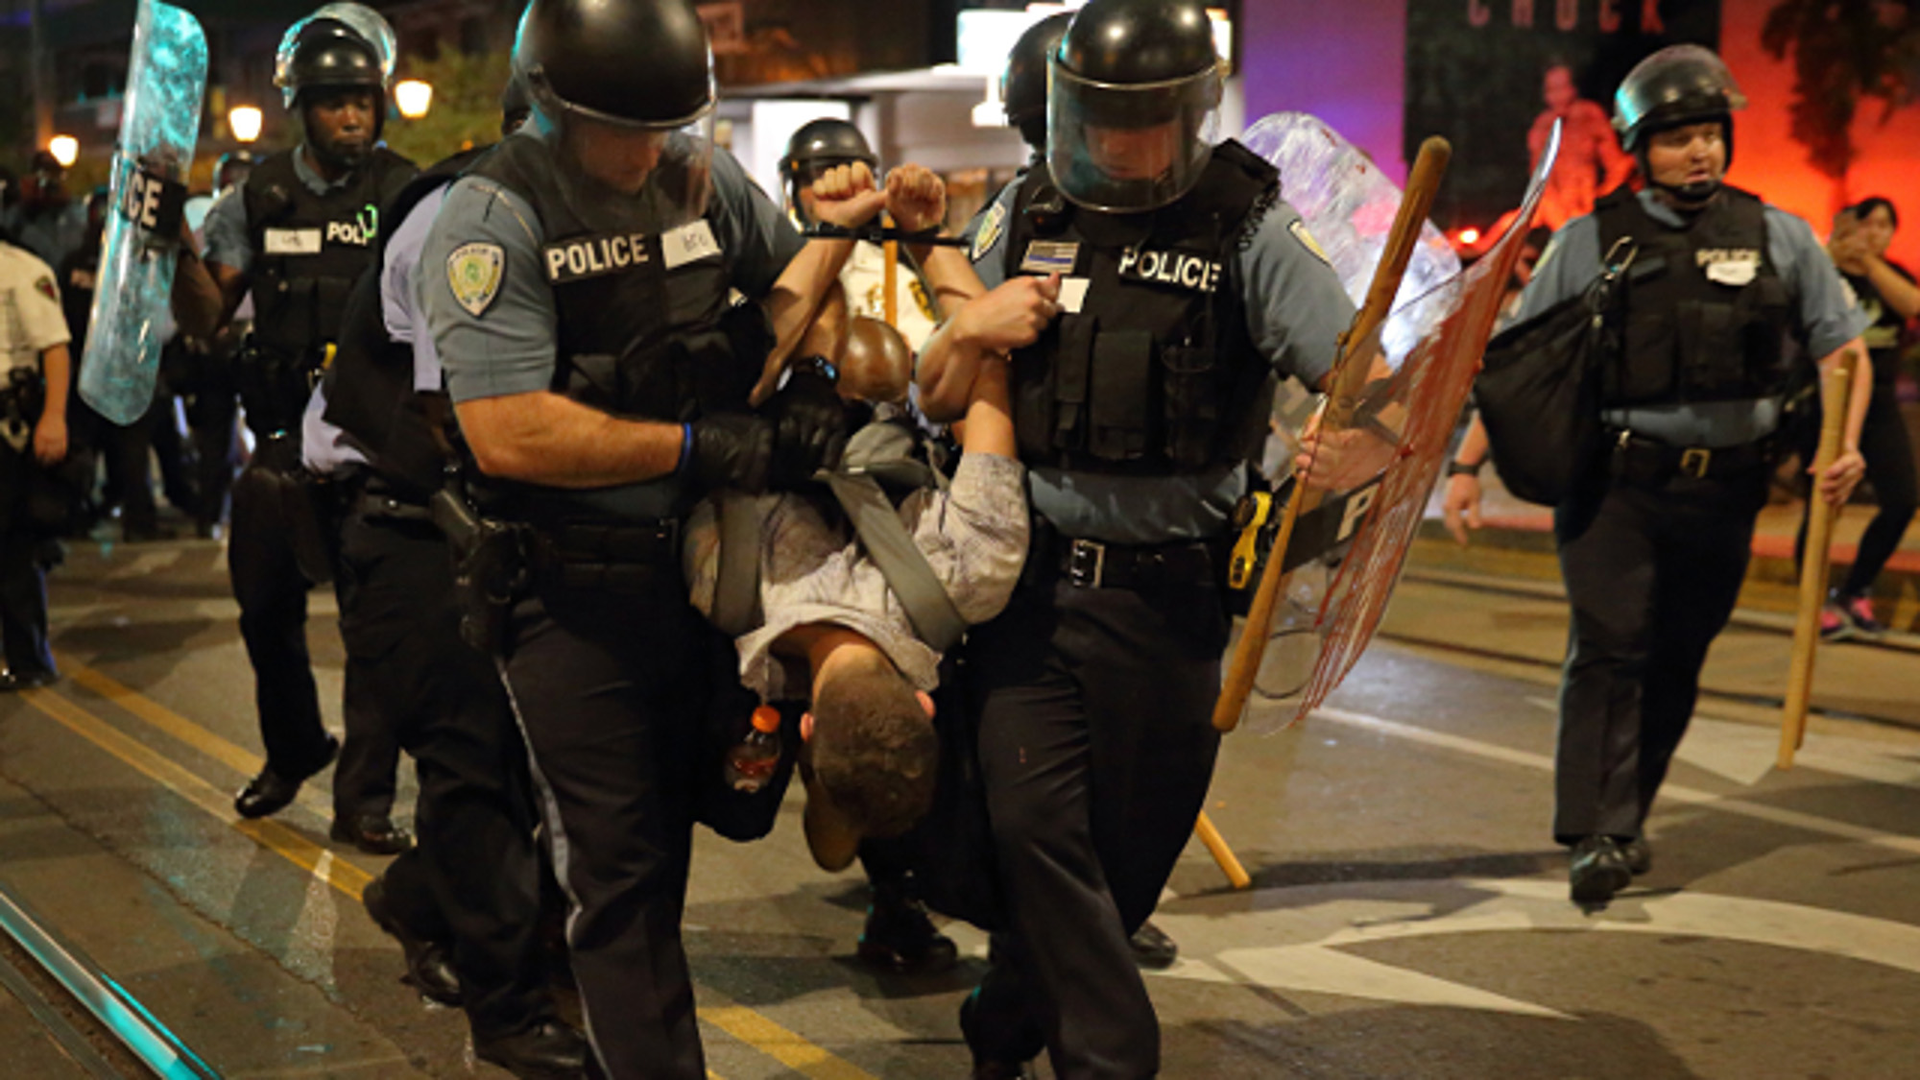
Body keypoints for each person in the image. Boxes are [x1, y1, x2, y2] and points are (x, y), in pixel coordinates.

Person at [419, 0, 872, 1073]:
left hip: (712, 574)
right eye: (618, 129)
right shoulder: (490, 217)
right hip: (572, 591)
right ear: (548, 103)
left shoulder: (695, 171)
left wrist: (812, 371)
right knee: (618, 877)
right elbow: (507, 430)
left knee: (699, 828)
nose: (642, 152)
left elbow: (798, 284)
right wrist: (690, 447)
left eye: (662, 126)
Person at [917, 0, 1359, 1074]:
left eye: (1145, 121)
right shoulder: (1025, 207)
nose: (1121, 144)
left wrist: (1342, 450)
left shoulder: (1247, 224)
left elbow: (1364, 384)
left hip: (1172, 607)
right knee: (1033, 830)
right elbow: (941, 381)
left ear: (1188, 112)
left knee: (1121, 868)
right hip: (1030, 593)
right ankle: (1111, 1061)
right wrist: (968, 322)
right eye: (1102, 120)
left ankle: (1005, 1019)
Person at [1445, 45, 1870, 906]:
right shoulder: (1587, 241)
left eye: (1711, 134)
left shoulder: (1777, 234)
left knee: (1678, 656)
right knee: (1611, 646)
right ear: (1641, 147)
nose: (1700, 152)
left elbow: (1845, 346)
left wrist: (1847, 445)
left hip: (1729, 490)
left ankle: (1627, 812)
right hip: (1616, 486)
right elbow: (1524, 369)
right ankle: (1595, 831)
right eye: (1678, 138)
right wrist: (1466, 467)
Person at [309, 82, 586, 1079]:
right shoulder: (463, 216)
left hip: (497, 520)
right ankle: (506, 1014)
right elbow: (459, 414)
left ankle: (421, 898)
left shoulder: (591, 209)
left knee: (530, 767)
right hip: (418, 526)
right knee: (474, 769)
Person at [171, 3, 416, 848]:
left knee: (371, 629)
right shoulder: (260, 195)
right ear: (301, 107)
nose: (352, 116)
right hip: (279, 443)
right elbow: (208, 317)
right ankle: (295, 748)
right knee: (261, 605)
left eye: (363, 101)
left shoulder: (407, 192)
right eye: (332, 102)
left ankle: (367, 799)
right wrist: (173, 239)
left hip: (373, 442)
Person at [684, 307, 1027, 872]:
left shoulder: (974, 574)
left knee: (845, 806)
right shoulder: (721, 582)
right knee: (842, 812)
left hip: (779, 366)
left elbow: (991, 365)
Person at [1807, 196, 1917, 639]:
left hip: (1881, 406)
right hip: (1828, 403)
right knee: (1823, 503)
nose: (1873, 233)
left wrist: (1870, 264)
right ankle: (1813, 601)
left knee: (1902, 500)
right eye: (1864, 225)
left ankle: (1856, 589)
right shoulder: (1824, 275)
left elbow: (1911, 305)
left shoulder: (1891, 278)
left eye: (1883, 226)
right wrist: (1833, 257)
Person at [0, 235, 71, 690]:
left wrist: (53, 417)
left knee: (12, 548)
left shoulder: (22, 270)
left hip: (6, 429)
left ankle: (29, 660)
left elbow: (55, 348)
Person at [1527, 61, 1635, 232]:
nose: (1559, 96)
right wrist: (1559, 218)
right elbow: (1540, 185)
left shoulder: (1589, 116)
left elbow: (1618, 165)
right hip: (1552, 211)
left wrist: (1601, 198)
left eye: (1563, 88)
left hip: (1590, 204)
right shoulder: (1542, 127)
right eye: (1552, 90)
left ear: (1573, 89)